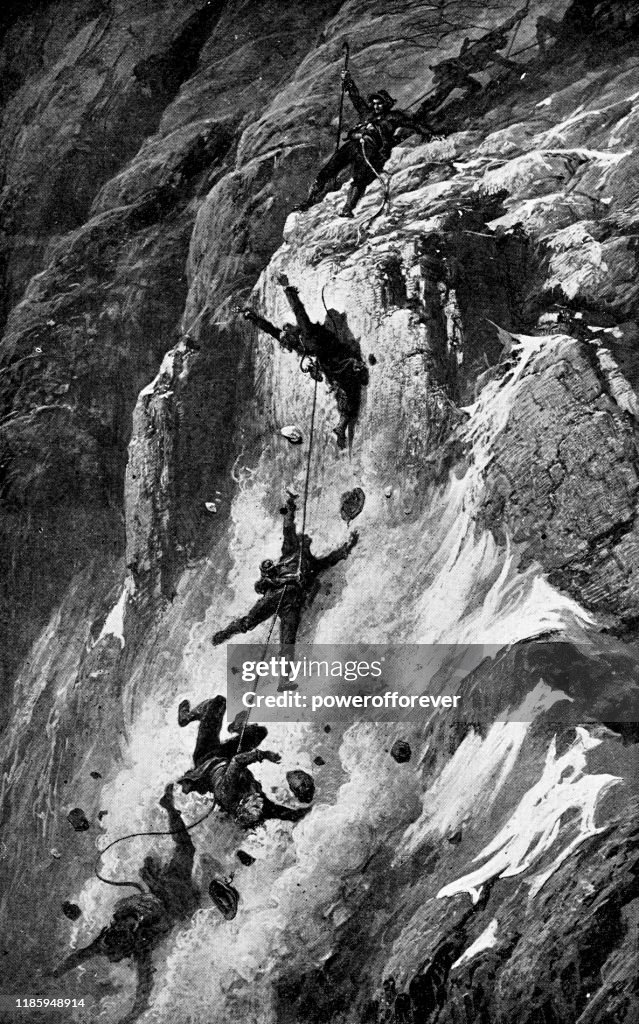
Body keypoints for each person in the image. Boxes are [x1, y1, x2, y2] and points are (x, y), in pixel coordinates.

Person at [52, 784, 199, 1024]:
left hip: (176, 894)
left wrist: (132, 1015)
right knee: (184, 849)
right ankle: (170, 809)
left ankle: (169, 808)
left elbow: (144, 988)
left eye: (115, 954)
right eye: (113, 953)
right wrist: (57, 972)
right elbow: (80, 956)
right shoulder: (111, 938)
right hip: (163, 890)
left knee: (186, 849)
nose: (112, 959)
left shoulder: (136, 946)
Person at [212, 491, 358, 656]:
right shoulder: (290, 550)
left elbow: (332, 559)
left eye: (306, 539)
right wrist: (290, 505)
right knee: (248, 623)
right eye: (303, 538)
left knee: (288, 644)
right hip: (275, 594)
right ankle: (224, 634)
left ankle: (285, 681)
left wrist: (349, 546)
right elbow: (288, 527)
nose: (306, 538)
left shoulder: (313, 564)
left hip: (292, 604)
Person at [244, 274, 369, 447]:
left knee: (346, 389)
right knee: (346, 390)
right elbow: (274, 330)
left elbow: (298, 312)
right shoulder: (302, 339)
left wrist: (287, 290)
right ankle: (342, 424)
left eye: (286, 338)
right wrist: (254, 318)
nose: (285, 339)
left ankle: (342, 424)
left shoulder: (306, 334)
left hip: (335, 357)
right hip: (332, 360)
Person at [298, 72, 430, 217]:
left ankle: (347, 208)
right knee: (328, 170)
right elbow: (356, 98)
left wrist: (430, 133)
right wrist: (348, 81)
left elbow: (413, 124)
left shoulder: (393, 117)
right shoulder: (367, 114)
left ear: (386, 103)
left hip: (370, 150)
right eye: (374, 103)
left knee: (360, 178)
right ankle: (309, 201)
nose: (376, 106)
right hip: (353, 145)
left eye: (379, 103)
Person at [176, 700, 310, 827]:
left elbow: (237, 761)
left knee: (218, 703)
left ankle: (186, 717)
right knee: (258, 733)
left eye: (256, 805)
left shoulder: (229, 792)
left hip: (208, 757)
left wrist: (264, 755)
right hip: (226, 758)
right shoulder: (257, 804)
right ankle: (236, 728)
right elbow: (287, 814)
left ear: (242, 805)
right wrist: (309, 811)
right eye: (260, 807)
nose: (261, 803)